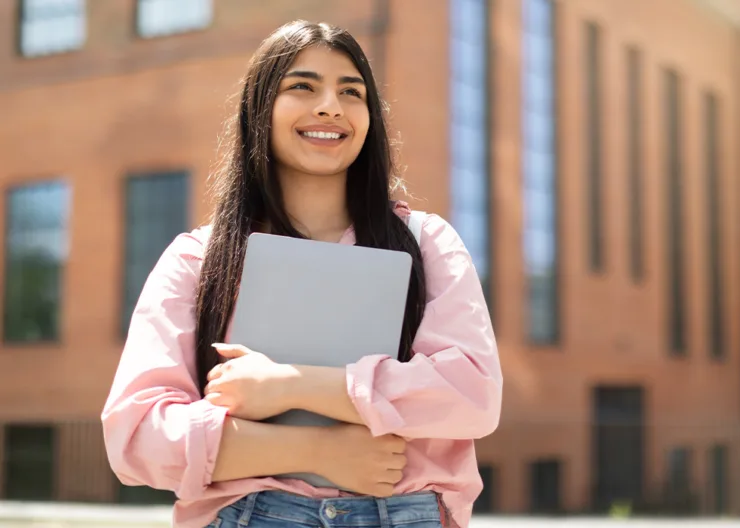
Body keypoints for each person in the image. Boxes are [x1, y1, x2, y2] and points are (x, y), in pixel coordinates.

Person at [101, 19, 501, 528]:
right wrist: (316, 448)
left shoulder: (427, 243)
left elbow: (473, 396)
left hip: (403, 514)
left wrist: (288, 387)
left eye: (351, 92)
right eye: (302, 87)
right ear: (259, 110)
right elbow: (134, 437)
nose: (330, 106)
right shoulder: (198, 259)